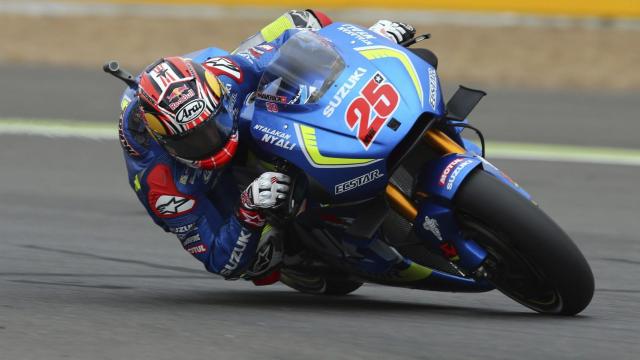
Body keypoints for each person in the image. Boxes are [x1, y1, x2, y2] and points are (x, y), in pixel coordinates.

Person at [118, 9, 417, 291]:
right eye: (196, 140)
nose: (213, 139)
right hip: (205, 182)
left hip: (221, 81)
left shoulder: (228, 74)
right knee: (260, 261)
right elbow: (219, 259)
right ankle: (295, 256)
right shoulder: (162, 183)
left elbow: (293, 44)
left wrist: (367, 41)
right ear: (169, 142)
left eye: (215, 124)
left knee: (305, 19)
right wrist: (248, 209)